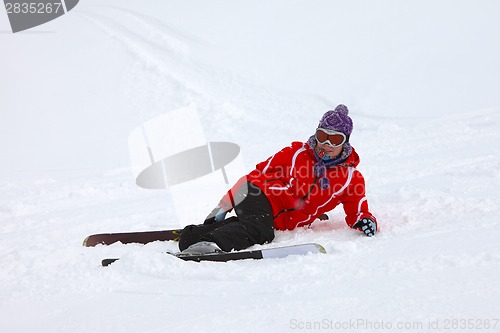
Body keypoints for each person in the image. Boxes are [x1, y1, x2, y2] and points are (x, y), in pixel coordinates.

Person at [178, 104, 377, 253]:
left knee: (255, 225)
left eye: (334, 139)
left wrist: (365, 220)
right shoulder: (296, 153)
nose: (325, 143)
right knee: (261, 231)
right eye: (321, 135)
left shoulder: (351, 178)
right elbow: (256, 174)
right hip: (257, 194)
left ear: (346, 142)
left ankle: (192, 237)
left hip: (273, 217)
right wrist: (224, 205)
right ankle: (214, 244)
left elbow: (358, 208)